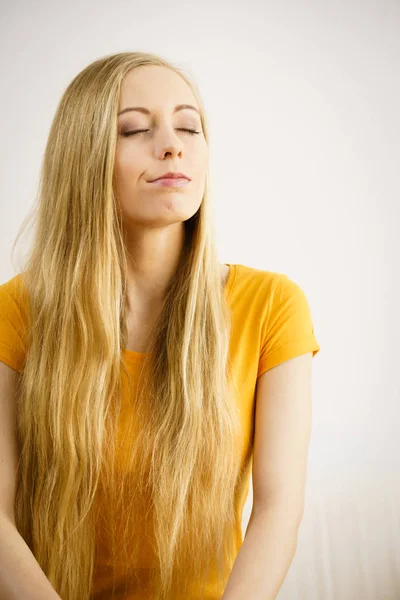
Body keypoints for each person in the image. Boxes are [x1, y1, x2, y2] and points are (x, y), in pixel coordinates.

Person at [0, 51, 320, 600]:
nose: (172, 144)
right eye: (134, 130)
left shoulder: (273, 307)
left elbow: (278, 507)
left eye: (189, 125)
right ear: (85, 157)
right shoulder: (17, 311)